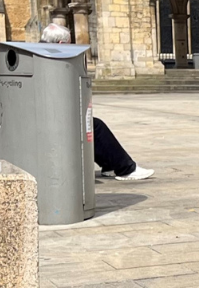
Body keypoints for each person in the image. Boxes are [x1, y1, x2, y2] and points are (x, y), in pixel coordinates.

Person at [39, 25, 155, 181]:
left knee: (90, 124)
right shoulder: (50, 59)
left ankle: (110, 165)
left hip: (37, 116)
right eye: (69, 43)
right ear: (60, 44)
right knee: (94, 126)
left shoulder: (37, 54)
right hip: (45, 120)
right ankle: (125, 169)